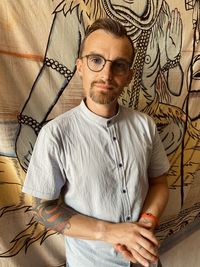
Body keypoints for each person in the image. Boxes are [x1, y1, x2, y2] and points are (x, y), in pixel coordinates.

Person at [22, 18, 170, 267]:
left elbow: (159, 182)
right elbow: (41, 209)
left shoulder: (145, 125)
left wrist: (146, 222)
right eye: (96, 60)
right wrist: (111, 233)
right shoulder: (55, 134)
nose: (106, 74)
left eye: (119, 65)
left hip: (146, 261)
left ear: (129, 76)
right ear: (80, 66)